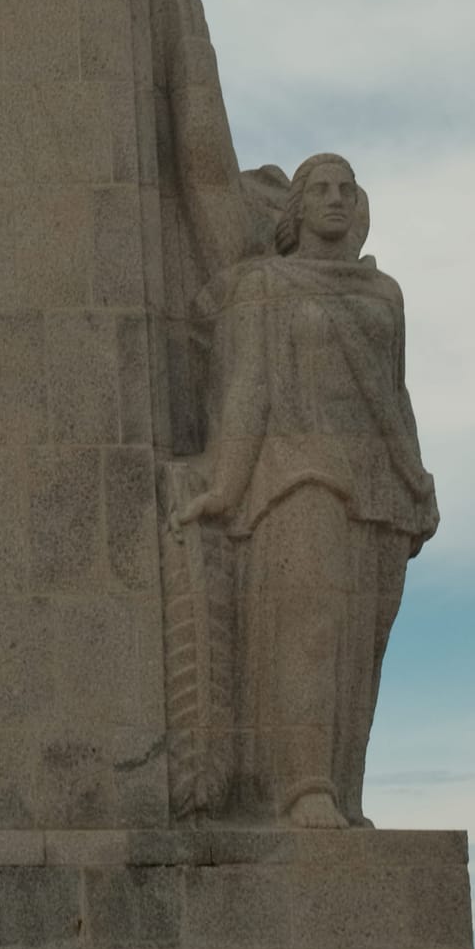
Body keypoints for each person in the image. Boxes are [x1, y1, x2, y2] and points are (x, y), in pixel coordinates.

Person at [170, 153, 438, 825]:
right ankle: (303, 787)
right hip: (298, 469)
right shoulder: (266, 286)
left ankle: (341, 793)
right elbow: (247, 391)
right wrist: (225, 489)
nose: (335, 199)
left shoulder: (384, 295)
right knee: (310, 626)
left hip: (380, 481)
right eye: (319, 189)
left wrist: (418, 480)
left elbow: (394, 394)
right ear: (295, 208)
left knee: (359, 645)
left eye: (346, 189)